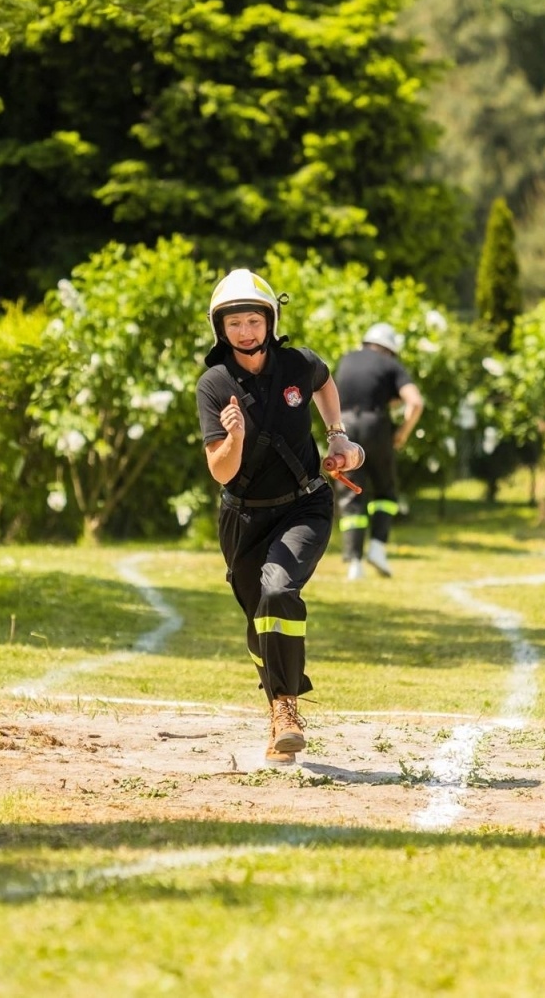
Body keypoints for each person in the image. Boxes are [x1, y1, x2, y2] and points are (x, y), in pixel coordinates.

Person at [195, 269, 363, 764]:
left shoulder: (297, 364)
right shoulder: (214, 384)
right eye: (235, 323)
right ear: (220, 329)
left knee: (277, 590)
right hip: (242, 518)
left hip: (304, 504)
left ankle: (287, 710)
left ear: (270, 321)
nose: (245, 331)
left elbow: (324, 379)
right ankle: (277, 709)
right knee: (258, 619)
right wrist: (236, 439)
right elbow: (221, 472)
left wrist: (339, 437)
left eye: (253, 320)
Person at [332, 322, 424, 579]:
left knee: (352, 492)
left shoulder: (347, 360)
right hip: (376, 427)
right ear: (390, 349)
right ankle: (378, 550)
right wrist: (402, 434)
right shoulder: (389, 365)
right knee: (384, 490)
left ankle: (354, 564)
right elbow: (415, 403)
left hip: (345, 427)